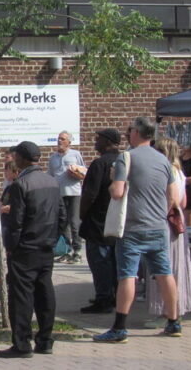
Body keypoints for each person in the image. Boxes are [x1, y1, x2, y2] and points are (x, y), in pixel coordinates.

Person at [93, 117, 182, 343]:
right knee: (164, 273)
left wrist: (113, 180)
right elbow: (174, 197)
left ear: (136, 132)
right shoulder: (163, 160)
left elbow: (117, 192)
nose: (128, 132)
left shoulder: (127, 157)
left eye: (130, 129)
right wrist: (158, 211)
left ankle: (119, 327)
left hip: (132, 227)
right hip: (158, 226)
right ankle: (173, 322)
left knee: (127, 275)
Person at [0, 141, 66, 358]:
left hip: (25, 247)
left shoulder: (21, 184)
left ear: (22, 158)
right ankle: (45, 340)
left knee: (21, 297)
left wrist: (11, 246)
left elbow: (16, 221)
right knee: (45, 292)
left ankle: (22, 343)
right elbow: (62, 214)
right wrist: (53, 237)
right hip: (45, 246)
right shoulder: (52, 181)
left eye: (16, 156)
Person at [146, 138, 191, 326]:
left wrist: (157, 216)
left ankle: (166, 312)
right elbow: (183, 202)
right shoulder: (180, 172)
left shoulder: (167, 171)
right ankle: (175, 308)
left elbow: (172, 199)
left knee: (163, 265)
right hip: (176, 220)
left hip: (166, 220)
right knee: (175, 265)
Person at [78, 129, 122, 314]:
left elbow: (90, 193)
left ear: (108, 142)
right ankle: (115, 296)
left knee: (100, 262)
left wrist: (82, 213)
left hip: (98, 222)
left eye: (99, 139)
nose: (95, 142)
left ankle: (104, 299)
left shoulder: (99, 164)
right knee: (115, 261)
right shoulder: (124, 161)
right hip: (118, 220)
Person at [48, 131, 85, 264]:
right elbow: (50, 175)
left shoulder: (75, 154)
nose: (60, 141)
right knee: (63, 223)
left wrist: (76, 172)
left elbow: (84, 171)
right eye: (58, 138)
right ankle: (67, 250)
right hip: (59, 194)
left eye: (63, 139)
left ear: (69, 142)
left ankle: (77, 251)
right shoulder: (53, 158)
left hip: (73, 193)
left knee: (74, 222)